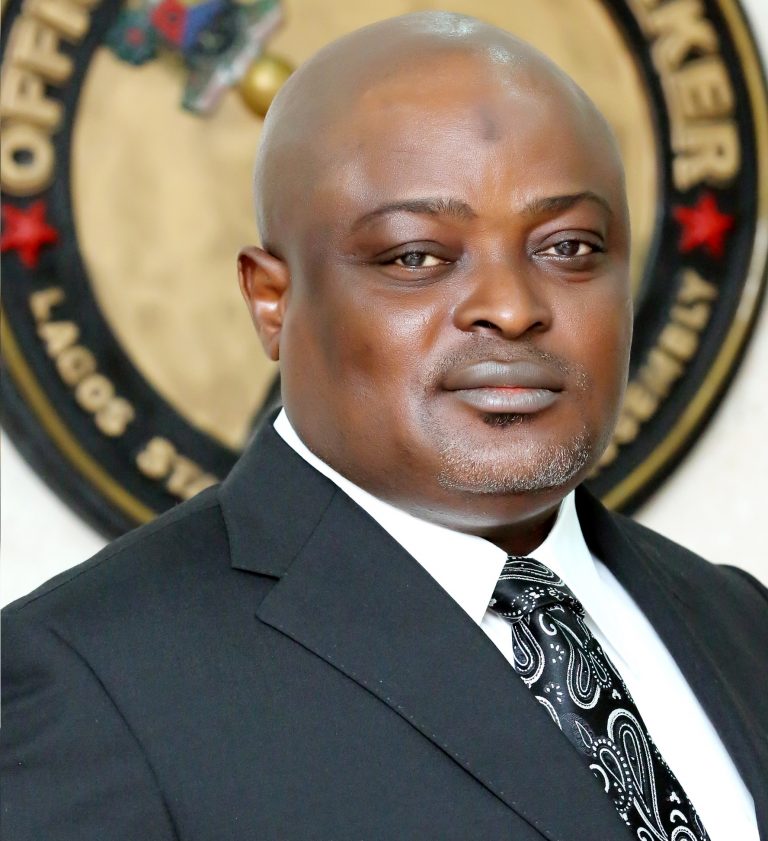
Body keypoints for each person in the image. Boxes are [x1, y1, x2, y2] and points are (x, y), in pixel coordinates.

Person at [2, 12, 765, 841]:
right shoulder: (91, 682)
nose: (512, 307)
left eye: (569, 247)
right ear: (272, 300)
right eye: (416, 257)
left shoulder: (738, 622)